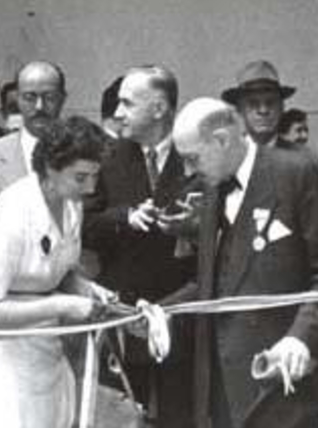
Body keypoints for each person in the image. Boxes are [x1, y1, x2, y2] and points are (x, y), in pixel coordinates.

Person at [171, 98, 318, 428]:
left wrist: (300, 337)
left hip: (280, 377)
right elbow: (217, 279)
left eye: (192, 158)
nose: (189, 170)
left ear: (223, 140)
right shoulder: (213, 187)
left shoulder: (297, 172)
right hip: (221, 383)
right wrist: (161, 312)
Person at [0, 116, 117, 428]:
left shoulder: (72, 204)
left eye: (94, 176)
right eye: (81, 177)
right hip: (0, 351)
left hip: (45, 343)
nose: (91, 187)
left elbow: (60, 269)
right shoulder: (9, 212)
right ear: (50, 169)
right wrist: (64, 305)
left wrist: (88, 289)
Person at [83, 65, 198, 426]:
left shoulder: (195, 157)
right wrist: (123, 217)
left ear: (160, 108)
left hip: (180, 313)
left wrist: (191, 227)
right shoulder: (106, 158)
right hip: (124, 311)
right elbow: (81, 226)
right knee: (120, 413)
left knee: (180, 414)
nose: (117, 113)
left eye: (127, 103)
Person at [0, 60, 66, 240]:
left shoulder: (82, 154)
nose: (39, 107)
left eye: (49, 97)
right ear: (18, 99)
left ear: (62, 99)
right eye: (29, 97)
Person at [221, 60, 296, 148]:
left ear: (282, 107)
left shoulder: (302, 158)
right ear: (239, 109)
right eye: (253, 103)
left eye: (270, 102)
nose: (263, 110)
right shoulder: (226, 157)